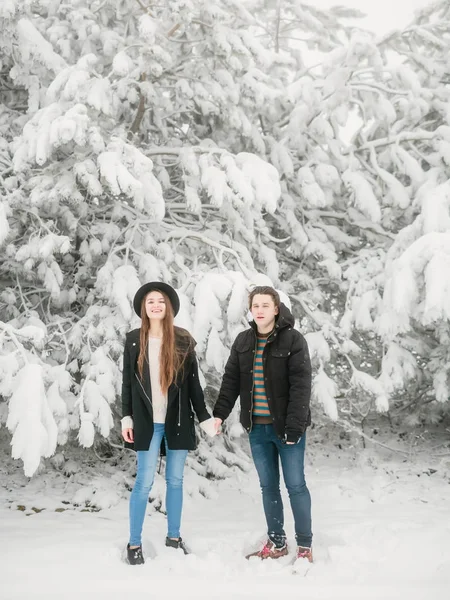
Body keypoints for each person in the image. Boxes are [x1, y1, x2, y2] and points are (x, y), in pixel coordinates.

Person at [213, 286, 313, 562]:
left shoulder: (293, 340)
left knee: (295, 485)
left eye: (265, 305)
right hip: (257, 428)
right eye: (255, 305)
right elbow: (231, 380)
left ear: (276, 309)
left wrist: (295, 426)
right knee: (268, 486)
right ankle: (277, 542)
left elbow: (301, 385)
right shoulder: (244, 341)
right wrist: (219, 414)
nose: (259, 310)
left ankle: (304, 545)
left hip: (287, 428)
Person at [121, 282, 216, 565]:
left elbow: (195, 387)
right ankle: (134, 543)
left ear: (169, 307)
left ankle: (174, 538)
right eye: (150, 301)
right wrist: (127, 416)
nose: (156, 305)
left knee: (175, 481)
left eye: (161, 301)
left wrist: (205, 419)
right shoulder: (134, 340)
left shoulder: (183, 341)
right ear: (143, 308)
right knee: (143, 482)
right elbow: (127, 382)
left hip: (176, 421)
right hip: (147, 423)